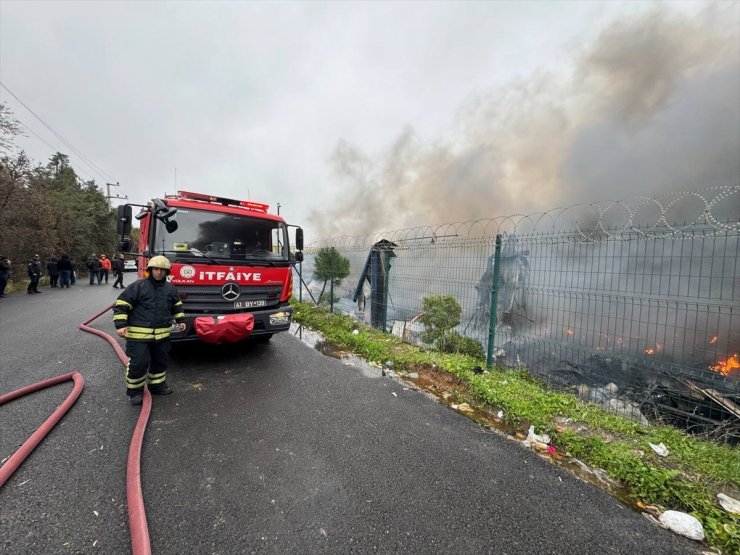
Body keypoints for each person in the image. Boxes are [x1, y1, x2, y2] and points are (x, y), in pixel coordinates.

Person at [112, 256, 185, 405]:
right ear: (150, 270)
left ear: (167, 272)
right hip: (138, 336)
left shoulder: (170, 289)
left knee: (160, 361)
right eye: (156, 269)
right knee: (139, 362)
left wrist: (180, 320)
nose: (159, 272)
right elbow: (121, 305)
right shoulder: (138, 287)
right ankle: (135, 392)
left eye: (162, 270)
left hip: (162, 335)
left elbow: (176, 305)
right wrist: (120, 325)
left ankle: (157, 385)